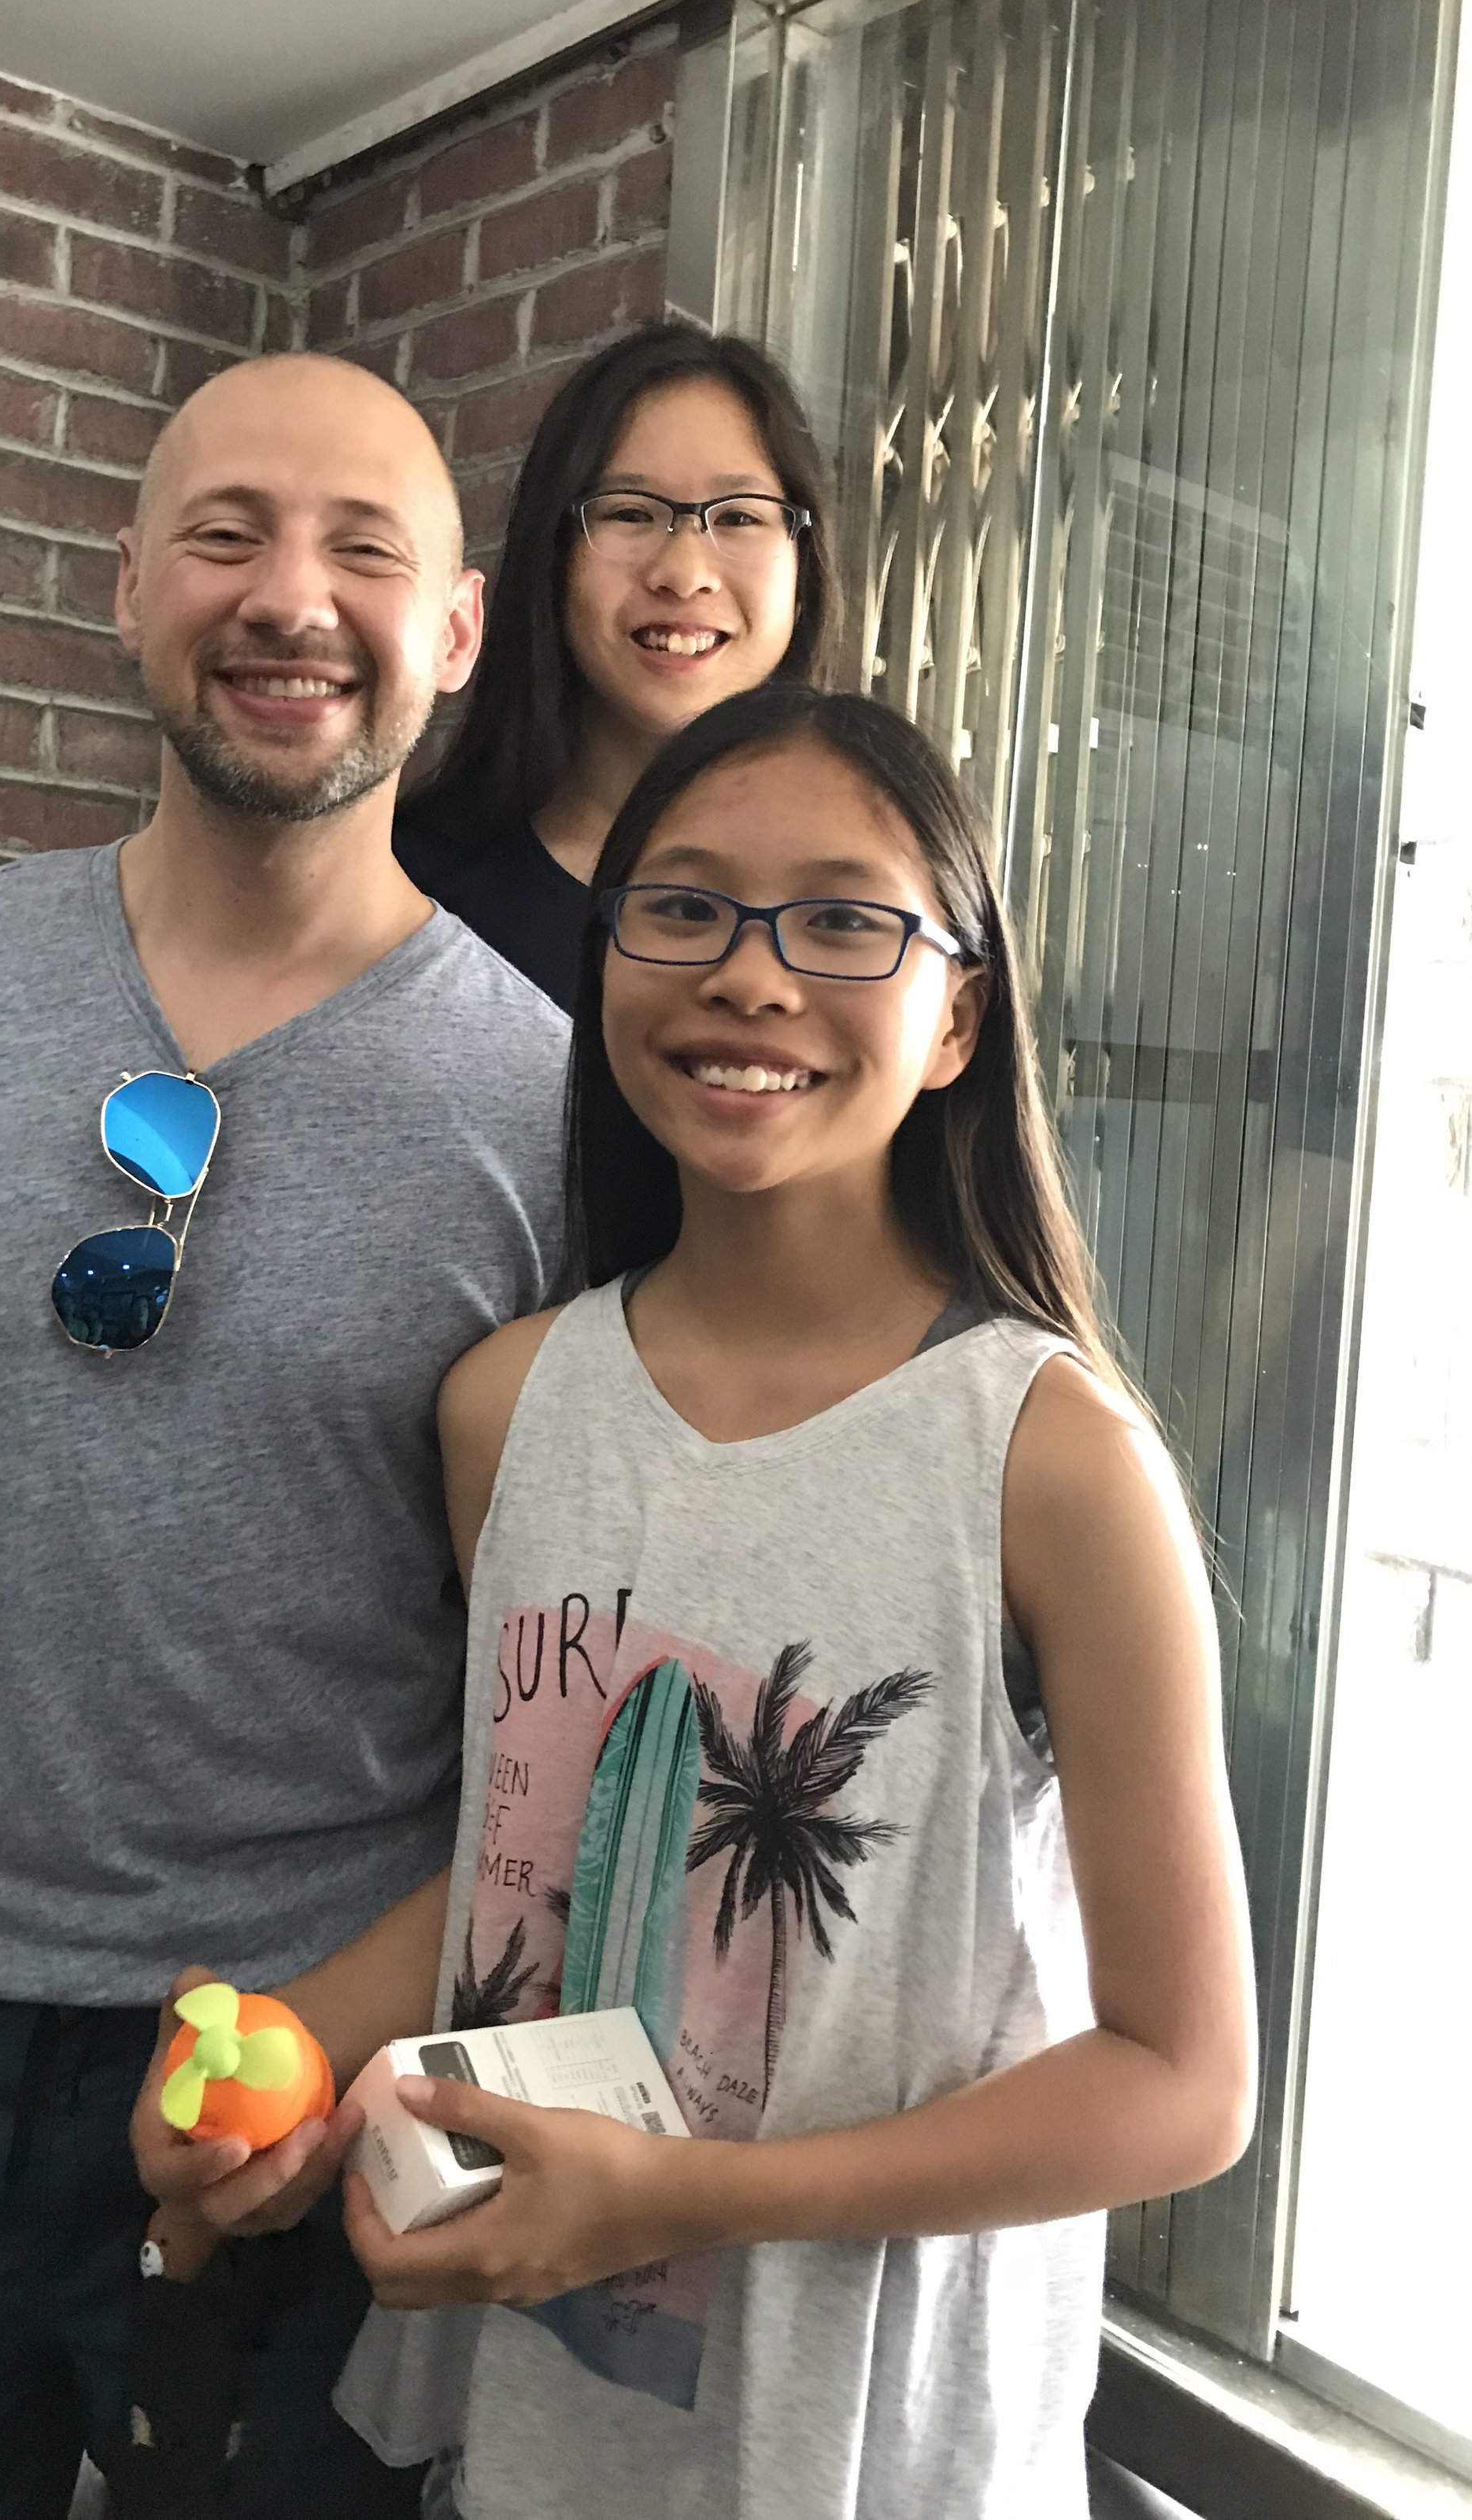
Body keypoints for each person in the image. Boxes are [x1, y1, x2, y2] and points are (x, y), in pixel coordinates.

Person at [0, 353, 568, 2520]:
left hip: (310, 2073)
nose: (291, 595)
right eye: (226, 532)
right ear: (124, 584)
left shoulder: (563, 1113)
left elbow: (554, 1692)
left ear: (455, 636)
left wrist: (371, 2036)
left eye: (367, 549)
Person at [320, 685, 1257, 2518]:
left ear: (960, 1012)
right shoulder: (505, 1404)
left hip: (878, 2457)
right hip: (537, 2421)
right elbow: (543, 1846)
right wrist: (286, 2052)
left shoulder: (1055, 1461)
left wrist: (692, 2202)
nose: (750, 976)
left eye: (843, 920)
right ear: (607, 966)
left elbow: (1182, 2078)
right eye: (682, 907)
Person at [396, 323, 840, 1010]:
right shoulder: (402, 894)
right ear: (554, 558)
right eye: (631, 513)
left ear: (803, 567)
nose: (684, 572)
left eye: (740, 517)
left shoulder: (870, 906)